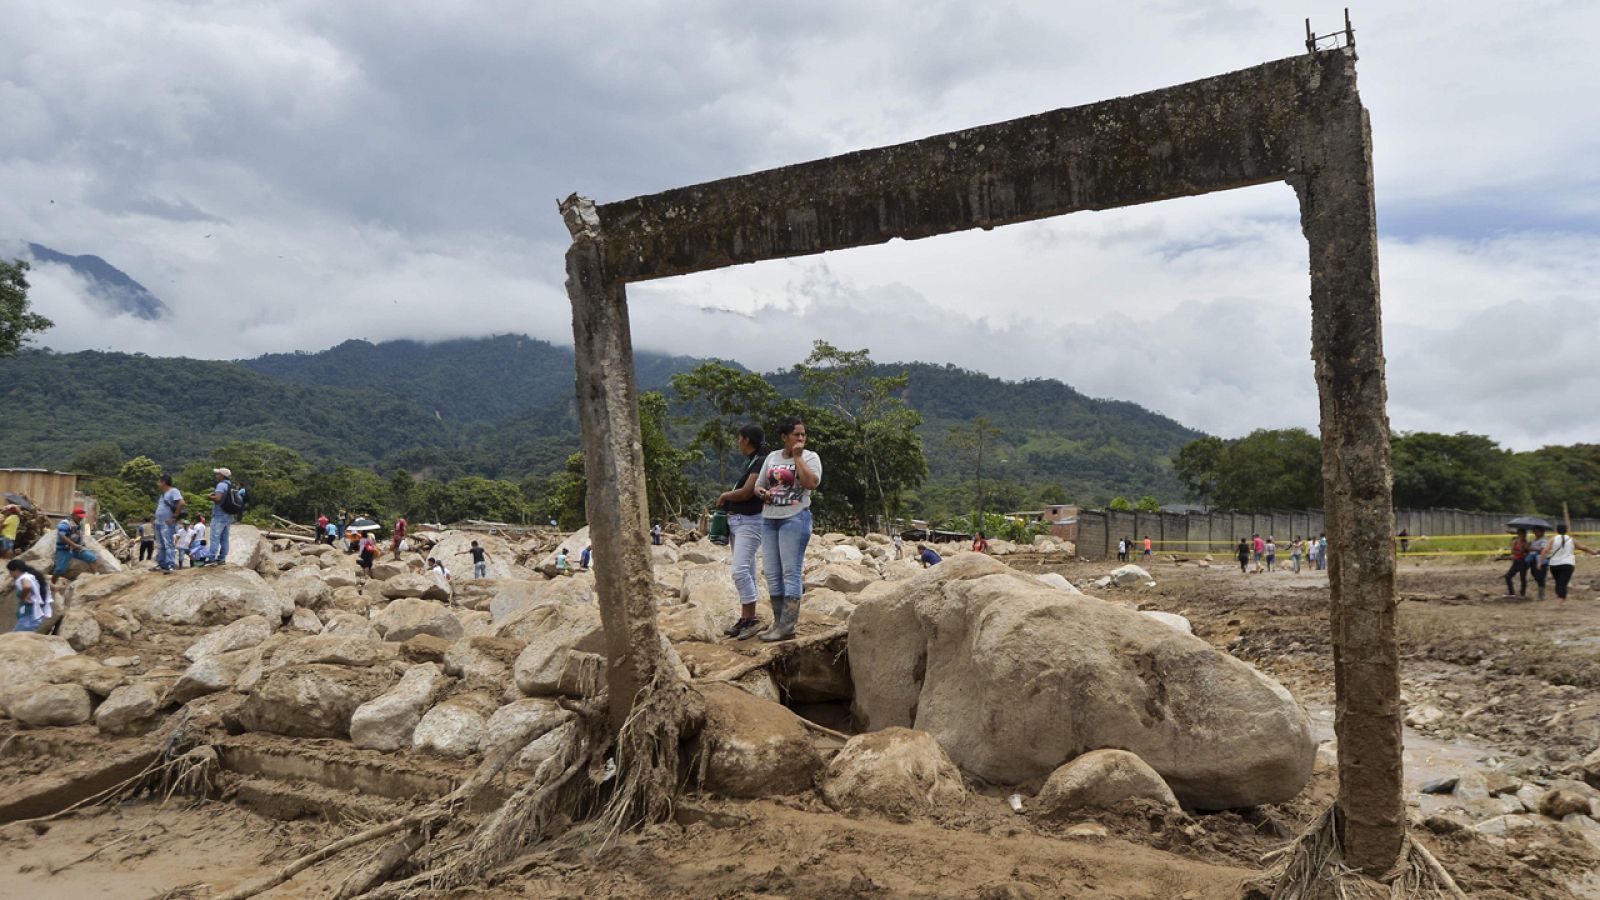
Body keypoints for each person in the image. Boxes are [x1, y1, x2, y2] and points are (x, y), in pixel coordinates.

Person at [753, 417, 821, 642]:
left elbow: (811, 483)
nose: (800, 438)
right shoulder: (772, 457)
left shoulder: (810, 457)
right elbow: (758, 485)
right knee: (772, 572)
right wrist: (762, 493)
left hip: (795, 518)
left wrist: (798, 457)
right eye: (796, 435)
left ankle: (788, 626)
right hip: (769, 518)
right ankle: (778, 623)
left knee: (791, 572)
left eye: (803, 434)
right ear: (784, 437)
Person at [717, 424, 767, 641]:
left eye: (740, 438)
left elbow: (747, 492)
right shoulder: (754, 460)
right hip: (741, 522)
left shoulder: (760, 461)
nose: (738, 442)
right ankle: (747, 617)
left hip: (750, 522)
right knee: (748, 570)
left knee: (739, 571)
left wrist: (725, 496)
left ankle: (752, 619)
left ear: (746, 439)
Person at [1543, 524, 1597, 601]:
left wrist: (1540, 562)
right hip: (1567, 564)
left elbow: (1545, 550)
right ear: (1567, 530)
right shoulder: (1571, 539)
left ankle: (1560, 598)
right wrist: (1593, 552)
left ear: (1557, 530)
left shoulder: (1552, 539)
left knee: (1558, 582)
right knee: (1563, 583)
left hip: (1554, 565)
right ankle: (1561, 600)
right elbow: (1583, 547)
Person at [52, 507, 96, 588]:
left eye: (82, 517)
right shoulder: (65, 523)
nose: (81, 518)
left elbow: (78, 536)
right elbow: (62, 536)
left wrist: (81, 545)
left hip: (76, 549)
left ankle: (97, 577)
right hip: (64, 549)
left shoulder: (78, 524)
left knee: (91, 557)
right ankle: (52, 585)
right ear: (74, 515)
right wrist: (74, 545)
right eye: (79, 517)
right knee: (59, 569)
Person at [9, 558, 53, 632]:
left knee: (12, 638)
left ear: (16, 570)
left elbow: (27, 586)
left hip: (28, 619)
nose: (11, 575)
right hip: (30, 618)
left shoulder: (24, 577)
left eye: (11, 572)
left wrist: (23, 596)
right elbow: (52, 587)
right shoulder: (32, 577)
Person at [153, 474, 185, 574]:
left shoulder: (173, 491)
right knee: (161, 545)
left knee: (168, 544)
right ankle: (162, 564)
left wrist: (174, 517)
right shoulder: (163, 494)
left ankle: (170, 564)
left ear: (164, 482)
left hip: (167, 523)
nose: (158, 484)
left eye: (159, 482)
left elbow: (182, 503)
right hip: (159, 522)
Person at [208, 467, 235, 565]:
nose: (216, 476)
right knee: (224, 538)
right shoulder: (230, 485)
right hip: (228, 514)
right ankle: (222, 558)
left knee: (215, 537)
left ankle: (212, 559)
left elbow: (218, 499)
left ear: (222, 476)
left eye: (218, 474)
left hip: (219, 514)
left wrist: (210, 497)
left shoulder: (221, 485)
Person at [1503, 528, 1531, 597]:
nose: (1521, 535)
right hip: (1516, 561)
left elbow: (1526, 552)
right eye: (1520, 534)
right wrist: (1520, 552)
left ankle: (1522, 593)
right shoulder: (1515, 541)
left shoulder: (1526, 542)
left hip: (1523, 562)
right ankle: (1511, 592)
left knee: (1522, 577)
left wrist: (1521, 550)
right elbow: (1512, 551)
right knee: (1508, 576)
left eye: (1523, 534)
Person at [1528, 526, 1550, 600]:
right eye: (1534, 531)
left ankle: (1541, 595)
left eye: (1537, 531)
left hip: (1540, 560)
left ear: (1542, 532)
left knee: (1540, 577)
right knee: (1535, 574)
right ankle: (1541, 594)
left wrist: (1532, 548)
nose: (1535, 533)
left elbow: (1543, 550)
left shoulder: (1544, 540)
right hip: (1534, 560)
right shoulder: (1534, 540)